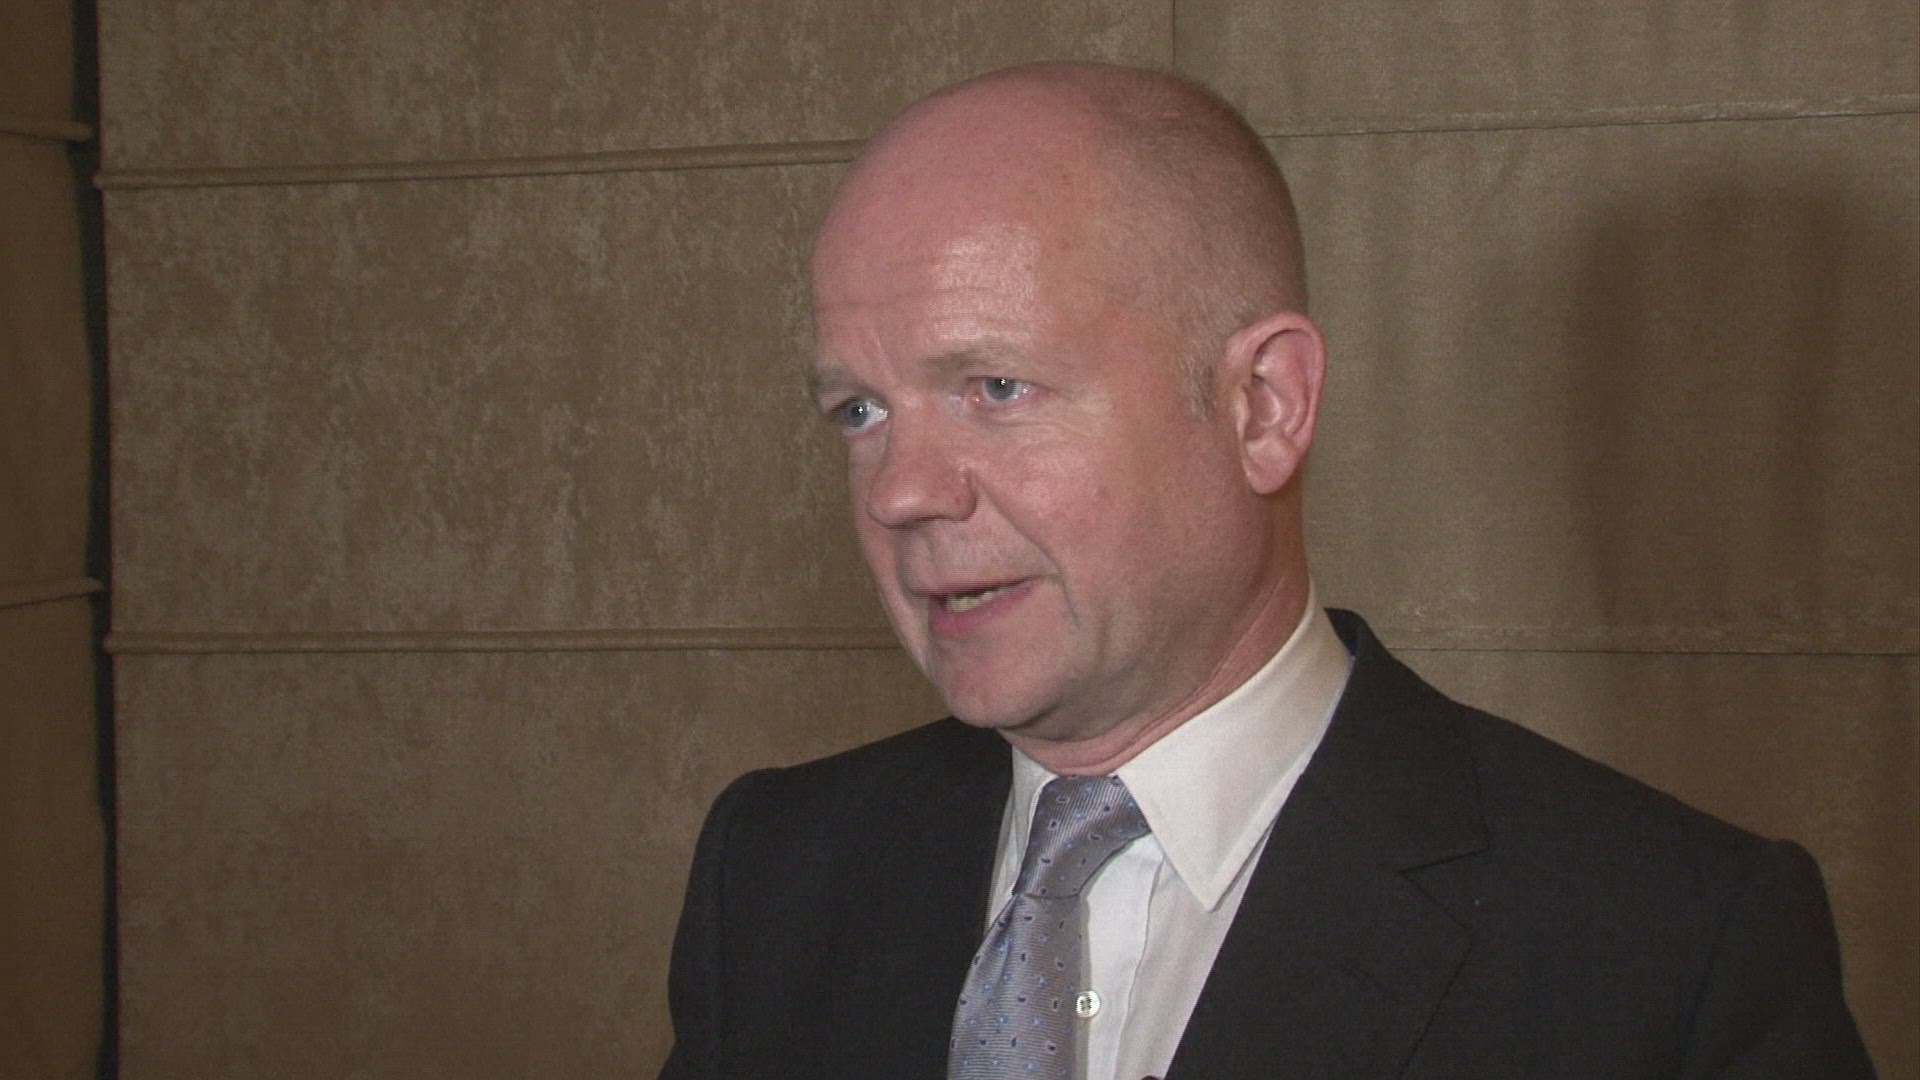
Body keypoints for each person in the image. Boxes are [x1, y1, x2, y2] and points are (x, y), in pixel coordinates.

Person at [658, 62, 1872, 1080]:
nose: (902, 491)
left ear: (1264, 406)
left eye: (997, 388)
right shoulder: (774, 875)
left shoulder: (1669, 953)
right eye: (860, 410)